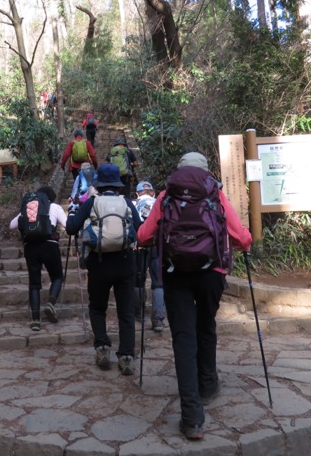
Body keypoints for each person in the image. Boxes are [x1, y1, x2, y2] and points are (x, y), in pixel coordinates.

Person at [136, 152, 252, 441]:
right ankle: (208, 384)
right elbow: (239, 236)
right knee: (206, 326)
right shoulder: (215, 193)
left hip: (176, 274)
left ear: (179, 171)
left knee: (184, 339)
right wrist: (246, 242)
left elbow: (143, 235)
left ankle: (192, 419)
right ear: (205, 172)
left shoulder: (166, 196)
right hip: (212, 272)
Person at [66, 164, 141, 375]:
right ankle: (126, 356)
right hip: (125, 262)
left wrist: (73, 213)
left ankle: (102, 347)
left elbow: (71, 228)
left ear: (98, 184)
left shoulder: (92, 202)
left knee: (97, 307)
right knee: (126, 311)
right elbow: (141, 229)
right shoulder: (126, 202)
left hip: (98, 264)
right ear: (118, 184)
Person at [9, 186, 67, 331]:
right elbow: (67, 225)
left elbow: (12, 225)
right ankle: (50, 303)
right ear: (51, 198)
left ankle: (35, 321)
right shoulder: (54, 206)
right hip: (50, 245)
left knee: (34, 283)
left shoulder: (30, 207)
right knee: (57, 277)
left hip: (31, 247)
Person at [134, 181, 166, 332]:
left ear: (137, 193)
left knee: (138, 280)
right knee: (158, 282)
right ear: (153, 192)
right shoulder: (160, 203)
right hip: (158, 247)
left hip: (140, 246)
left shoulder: (134, 204)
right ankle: (158, 319)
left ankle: (138, 312)